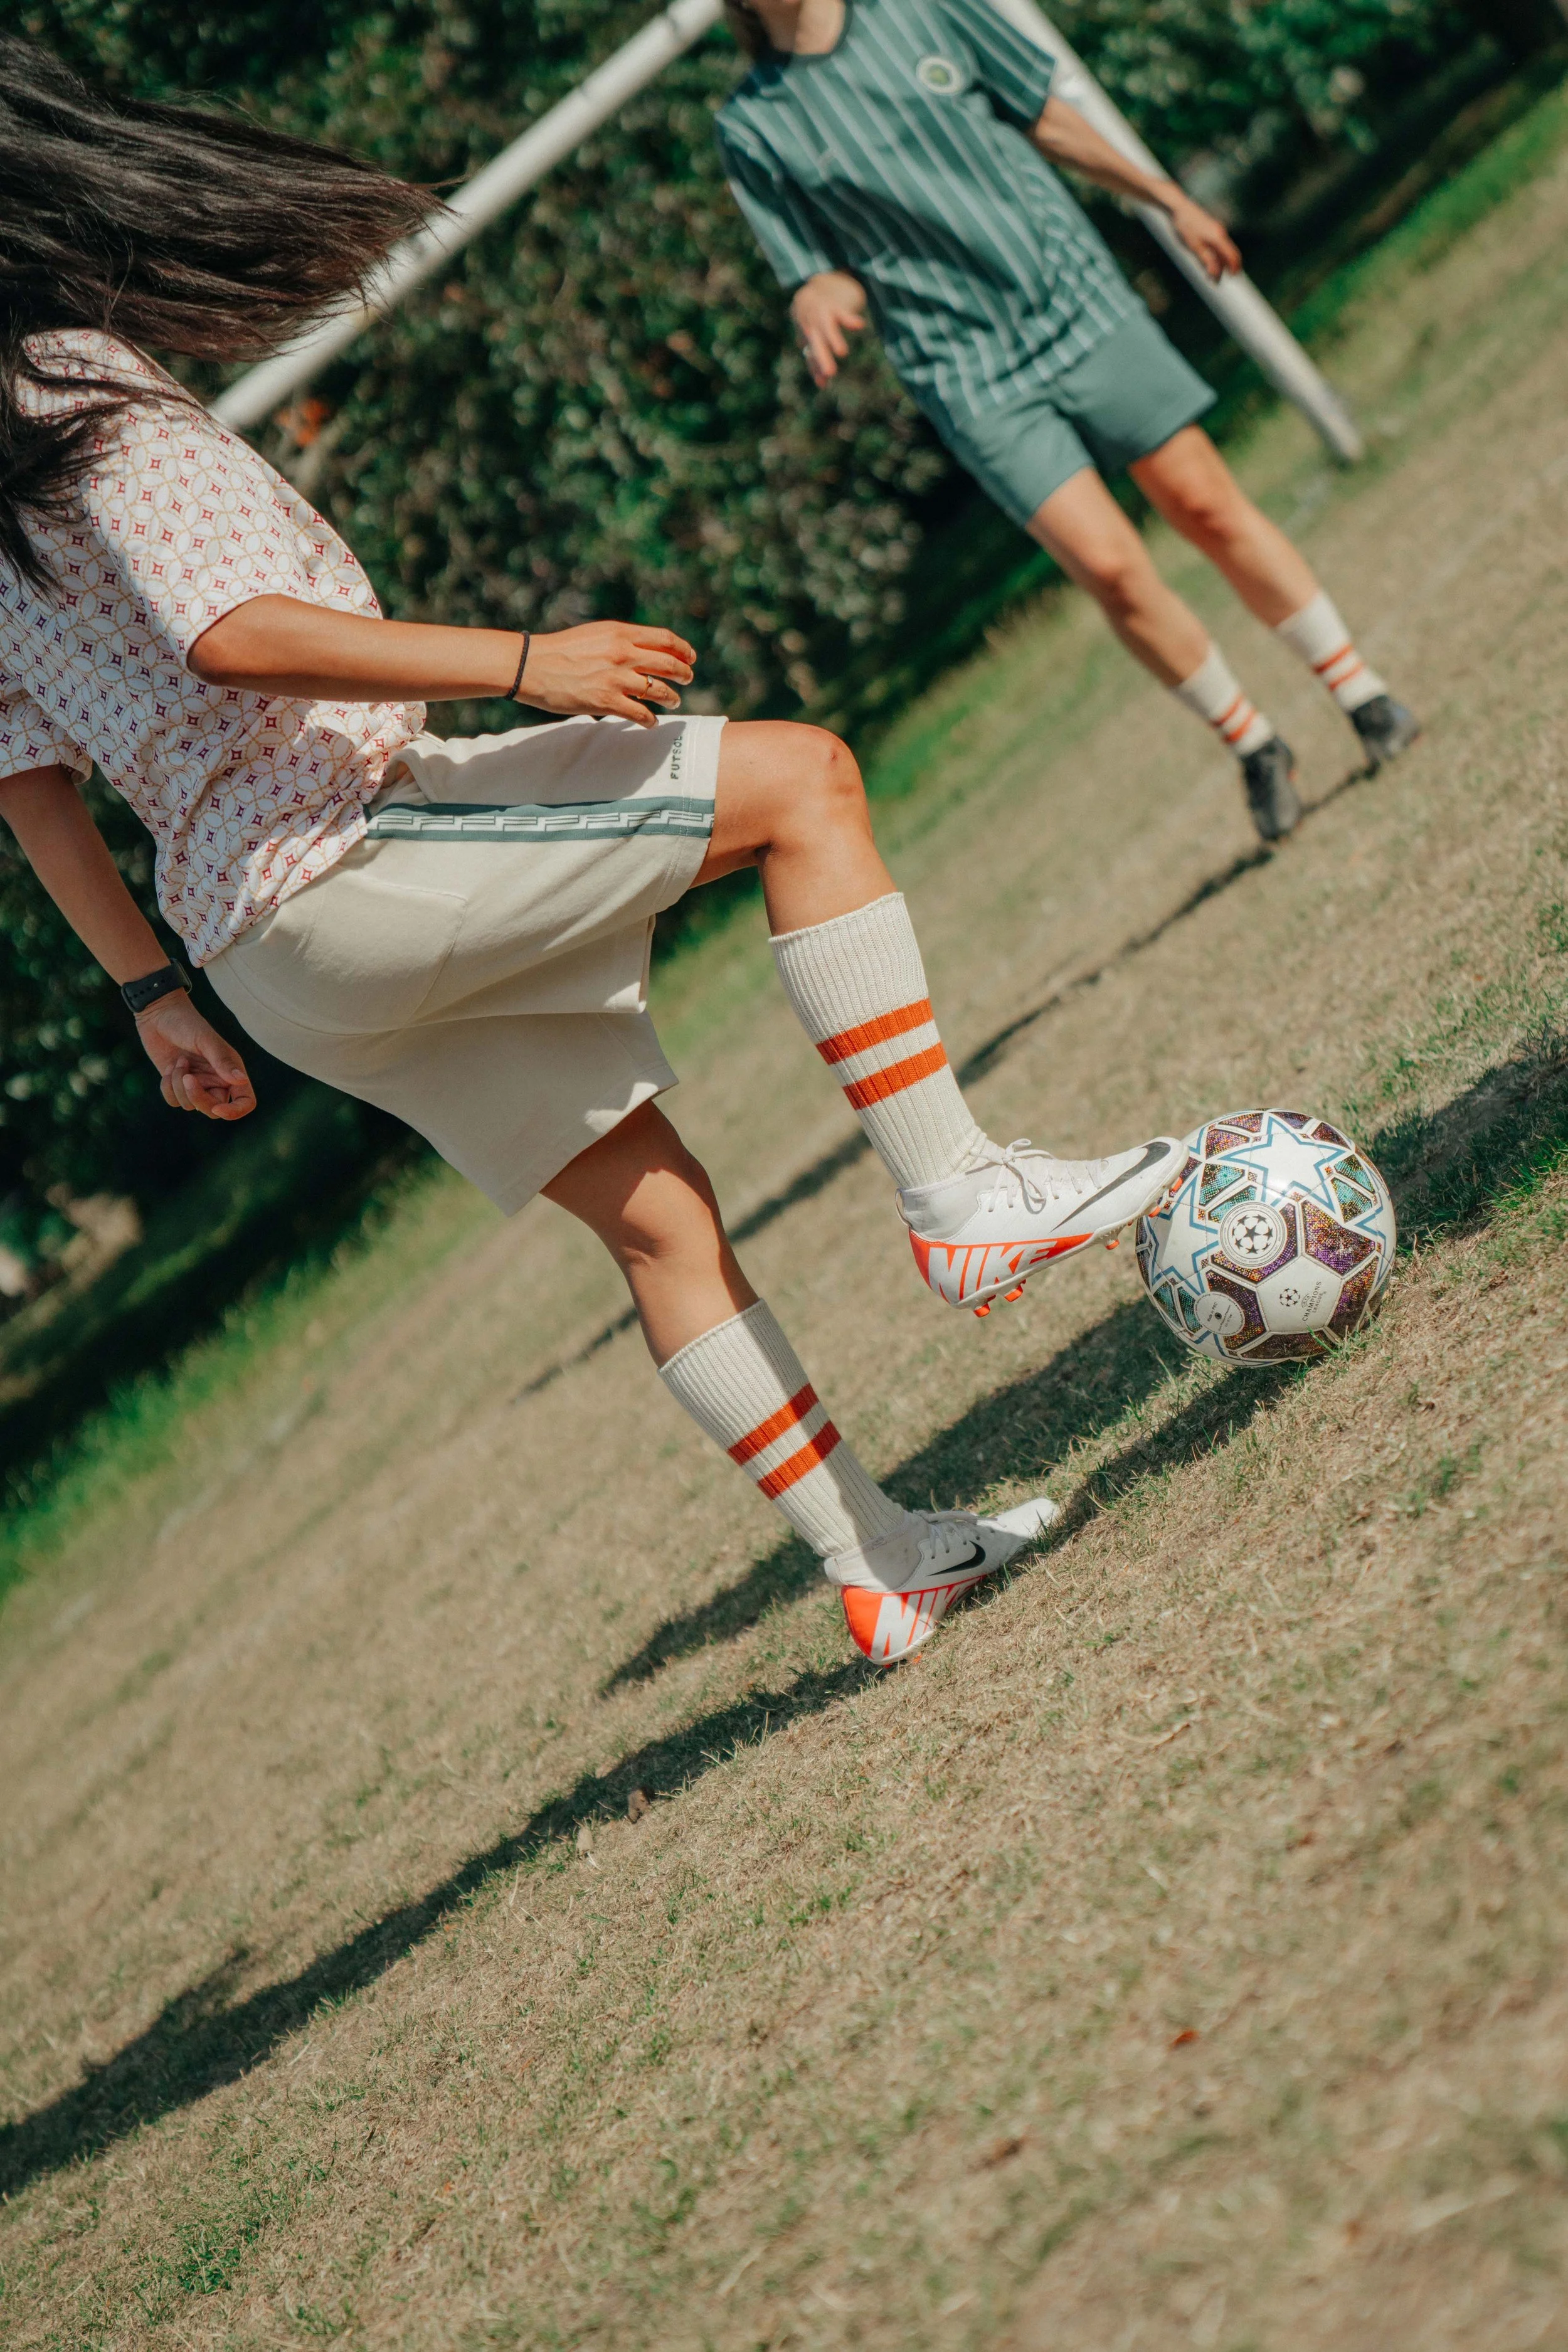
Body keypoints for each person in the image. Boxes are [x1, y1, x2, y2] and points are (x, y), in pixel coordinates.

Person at [0, 38, 1185, 1666]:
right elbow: (229, 631)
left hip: (264, 956)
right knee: (804, 783)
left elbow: (28, 784)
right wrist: (521, 657)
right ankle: (962, 1191)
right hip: (350, 843)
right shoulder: (62, 382)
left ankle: (882, 1562)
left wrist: (149, 990)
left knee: (659, 1218)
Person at [716, 0, 1421, 844]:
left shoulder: (925, 10)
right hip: (967, 369)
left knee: (1204, 503)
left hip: (1072, 298)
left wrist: (1167, 199)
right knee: (1109, 567)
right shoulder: (754, 123)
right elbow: (809, 270)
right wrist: (818, 290)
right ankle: (1255, 745)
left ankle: (1360, 692)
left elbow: (1050, 117)